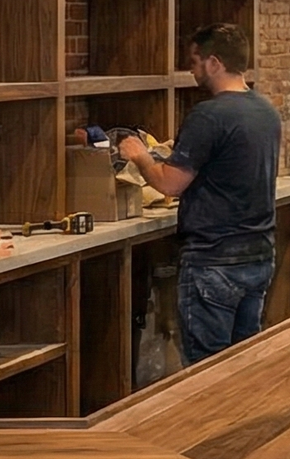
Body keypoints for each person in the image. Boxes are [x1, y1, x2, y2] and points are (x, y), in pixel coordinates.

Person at [118, 24, 281, 365]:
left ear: (214, 62)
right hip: (258, 255)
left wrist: (140, 156)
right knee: (243, 364)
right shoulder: (265, 111)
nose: (191, 69)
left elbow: (170, 185)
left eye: (194, 61)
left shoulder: (209, 115)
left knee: (207, 372)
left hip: (214, 260)